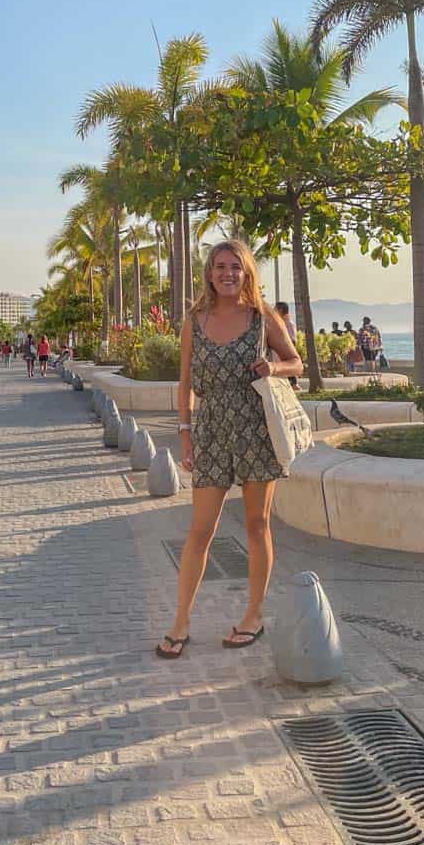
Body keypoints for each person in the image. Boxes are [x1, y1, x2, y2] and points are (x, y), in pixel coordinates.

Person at [156, 240, 304, 660]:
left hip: (258, 429)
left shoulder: (262, 318)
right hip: (212, 432)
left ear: (246, 273)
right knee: (200, 531)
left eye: (235, 267)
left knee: (257, 525)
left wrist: (273, 366)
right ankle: (180, 621)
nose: (227, 273)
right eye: (220, 266)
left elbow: (296, 362)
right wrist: (185, 436)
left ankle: (253, 615)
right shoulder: (194, 321)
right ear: (209, 273)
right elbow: (185, 384)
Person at [273, 301, 299, 390]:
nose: (273, 311)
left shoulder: (289, 324)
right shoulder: (281, 322)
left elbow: (293, 341)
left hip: (285, 356)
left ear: (280, 310)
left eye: (275, 309)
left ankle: (294, 384)